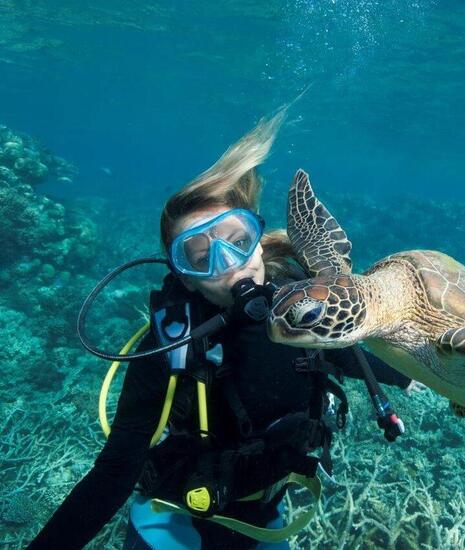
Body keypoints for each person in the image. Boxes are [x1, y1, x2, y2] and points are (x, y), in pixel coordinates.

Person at [29, 109, 412, 550]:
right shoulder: (172, 347)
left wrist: (446, 382)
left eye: (237, 239)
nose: (229, 263)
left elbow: (382, 361)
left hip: (266, 515)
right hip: (175, 517)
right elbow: (115, 471)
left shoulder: (309, 318)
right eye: (200, 256)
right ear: (185, 276)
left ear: (258, 237)